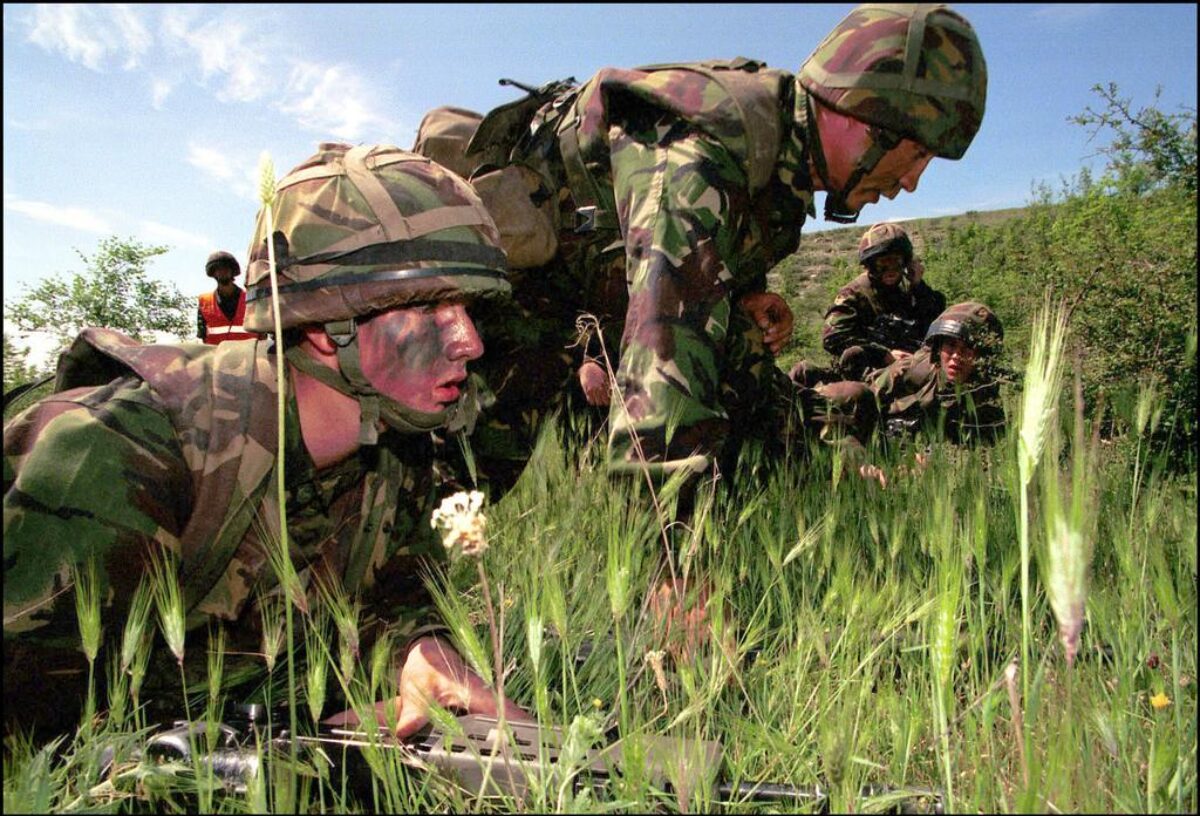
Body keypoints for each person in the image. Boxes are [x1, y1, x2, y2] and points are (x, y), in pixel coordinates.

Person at [3, 142, 527, 740]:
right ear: (332, 328)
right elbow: (28, 729)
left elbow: (397, 590)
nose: (470, 341)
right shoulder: (126, 451)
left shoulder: (391, 449)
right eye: (431, 308)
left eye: (468, 308)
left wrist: (425, 653)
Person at [414, 2, 987, 506]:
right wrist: (673, 558)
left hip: (589, 291)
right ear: (863, 117)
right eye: (915, 154)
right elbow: (666, 353)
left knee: (736, 361)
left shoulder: (779, 167)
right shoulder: (702, 156)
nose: (911, 182)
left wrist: (751, 307)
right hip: (515, 290)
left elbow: (726, 338)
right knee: (452, 482)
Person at [791, 222, 946, 386]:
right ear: (870, 265)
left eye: (896, 262)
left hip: (907, 368)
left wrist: (919, 285)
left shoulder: (908, 290)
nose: (890, 270)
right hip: (864, 374)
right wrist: (883, 354)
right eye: (882, 264)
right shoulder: (854, 293)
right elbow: (833, 338)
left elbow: (936, 320)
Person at [870, 300, 1007, 446]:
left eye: (967, 349)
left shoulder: (986, 397)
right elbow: (863, 396)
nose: (956, 356)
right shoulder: (914, 370)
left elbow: (986, 451)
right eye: (951, 345)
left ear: (981, 356)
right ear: (938, 348)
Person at [197, 250, 261, 344]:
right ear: (213, 273)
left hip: (248, 356)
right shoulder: (204, 302)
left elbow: (262, 335)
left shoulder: (252, 299)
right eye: (218, 269)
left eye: (226, 268)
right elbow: (203, 337)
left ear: (233, 271)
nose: (223, 272)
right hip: (216, 357)